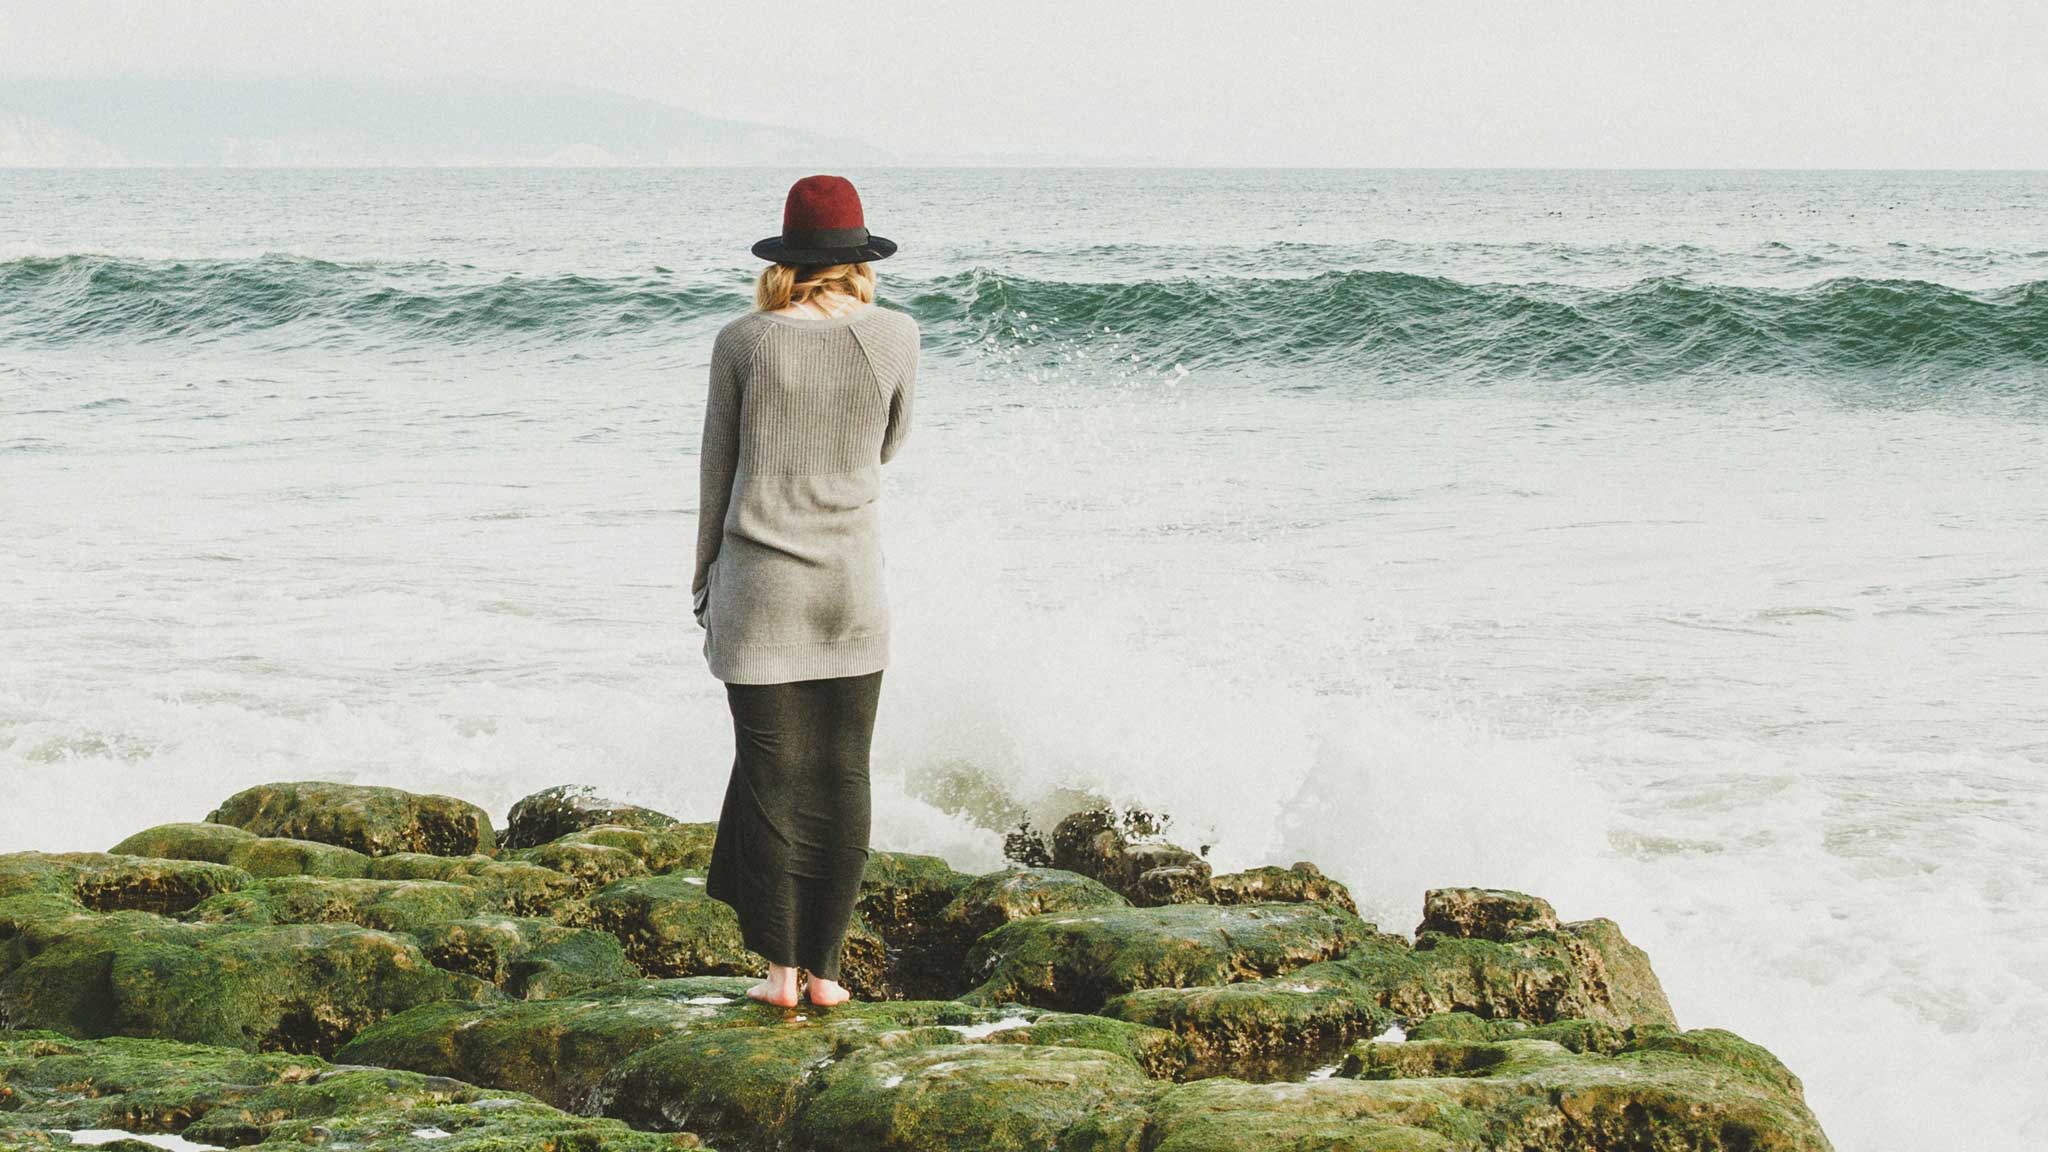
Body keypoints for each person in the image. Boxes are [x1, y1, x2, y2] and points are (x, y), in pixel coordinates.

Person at [694, 174, 920, 1008]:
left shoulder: (743, 342)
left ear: (785, 257)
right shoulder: (896, 335)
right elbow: (889, 443)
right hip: (852, 586)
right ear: (860, 258)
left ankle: (779, 977)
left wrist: (703, 582)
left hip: (760, 590)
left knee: (771, 782)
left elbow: (717, 472)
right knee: (844, 776)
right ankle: (827, 975)